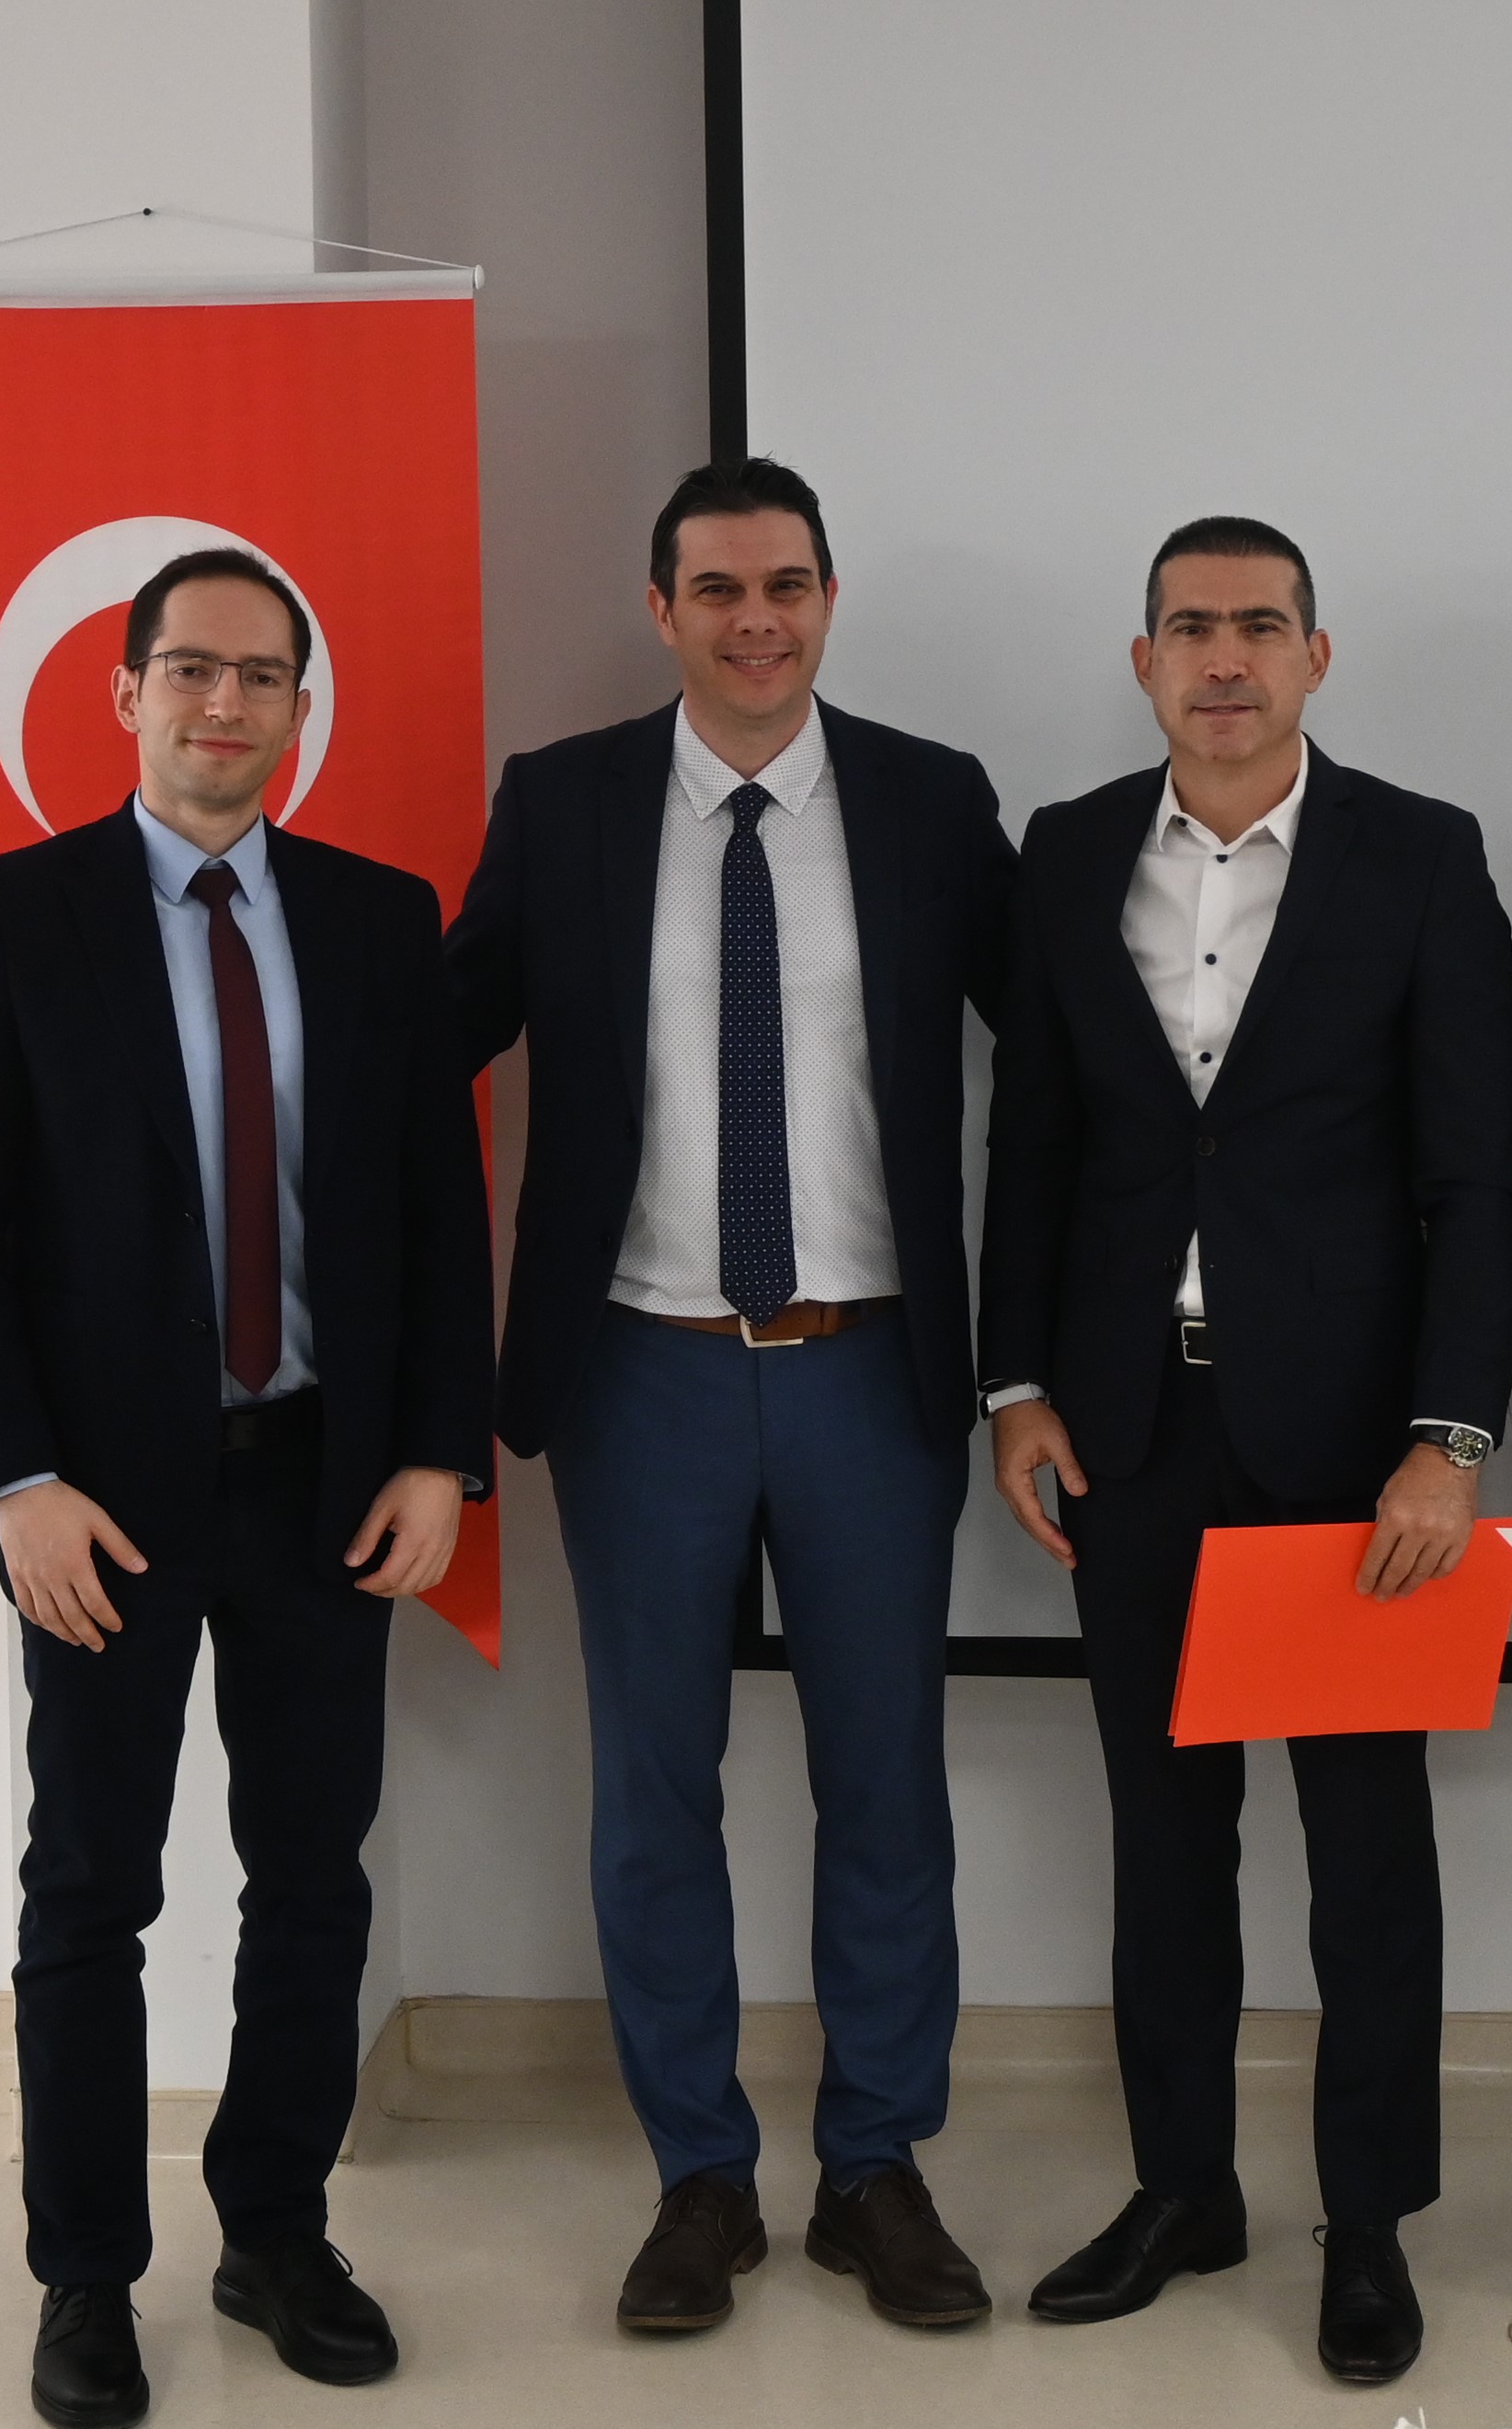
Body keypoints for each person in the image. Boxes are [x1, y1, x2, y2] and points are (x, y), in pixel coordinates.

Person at [0, 548, 497, 2426]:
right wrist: (14, 1478)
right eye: (188, 670)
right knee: (91, 1890)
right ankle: (85, 2276)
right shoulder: (14, 915)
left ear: (300, 709)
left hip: (326, 1485)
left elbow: (436, 1208)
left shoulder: (379, 920)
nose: (222, 706)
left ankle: (277, 2231)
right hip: (103, 1506)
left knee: (311, 1881)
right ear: (125, 693)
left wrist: (438, 1451)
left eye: (259, 677)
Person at [444, 457, 1017, 2339]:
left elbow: (1067, 1059)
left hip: (868, 1372)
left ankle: (873, 2169)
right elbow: (437, 1033)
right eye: (716, 589)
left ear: (827, 599)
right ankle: (698, 2174)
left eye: (784, 585)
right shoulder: (566, 802)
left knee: (886, 1786)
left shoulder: (929, 800)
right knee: (650, 1795)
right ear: (661, 609)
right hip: (642, 1373)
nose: (754, 620)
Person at [980, 514, 1512, 2389]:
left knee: (1363, 1852)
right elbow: (1033, 1144)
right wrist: (1014, 1383)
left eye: (1259, 626)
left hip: (1353, 1451)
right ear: (1142, 661)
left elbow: (1473, 1179)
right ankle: (1181, 2187)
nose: (1224, 657)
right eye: (1190, 628)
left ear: (1314, 655)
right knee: (1163, 1838)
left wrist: (1447, 1436)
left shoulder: (1421, 856)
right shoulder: (1066, 853)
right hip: (1134, 1428)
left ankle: (1364, 2219)